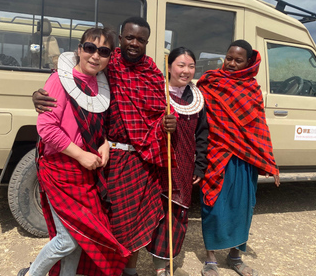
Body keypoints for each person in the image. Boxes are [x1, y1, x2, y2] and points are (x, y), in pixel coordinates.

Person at [32, 16, 177, 276]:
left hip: (137, 160)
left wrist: (167, 123)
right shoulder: (108, 68)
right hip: (102, 164)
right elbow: (57, 105)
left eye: (141, 40)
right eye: (130, 37)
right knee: (101, 227)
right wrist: (37, 94)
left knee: (132, 222)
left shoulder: (152, 73)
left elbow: (158, 112)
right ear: (121, 39)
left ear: (147, 42)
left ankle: (127, 271)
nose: (135, 43)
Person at [18, 27, 130, 276]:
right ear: (79, 50)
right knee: (67, 240)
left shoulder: (101, 84)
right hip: (60, 167)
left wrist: (105, 144)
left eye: (103, 51)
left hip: (84, 172)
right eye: (90, 48)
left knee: (81, 236)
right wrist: (80, 154)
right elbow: (46, 128)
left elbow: (100, 126)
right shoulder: (59, 80)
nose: (95, 56)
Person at [196, 40, 281, 276]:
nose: (232, 63)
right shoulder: (210, 83)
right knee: (213, 206)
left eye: (238, 60)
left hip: (244, 159)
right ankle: (210, 258)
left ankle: (235, 256)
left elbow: (258, 128)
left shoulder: (252, 89)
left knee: (242, 208)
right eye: (229, 58)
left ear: (248, 63)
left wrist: (269, 162)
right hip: (216, 155)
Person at [145, 47, 208, 276]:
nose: (186, 71)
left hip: (184, 166)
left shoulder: (198, 97)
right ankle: (159, 266)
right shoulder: (157, 92)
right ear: (169, 66)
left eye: (191, 66)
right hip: (159, 164)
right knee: (159, 213)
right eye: (181, 65)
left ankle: (167, 260)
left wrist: (200, 164)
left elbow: (203, 134)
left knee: (179, 214)